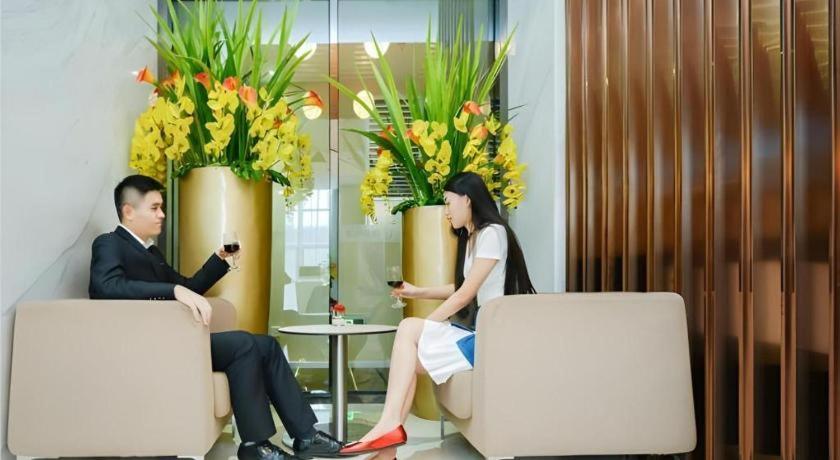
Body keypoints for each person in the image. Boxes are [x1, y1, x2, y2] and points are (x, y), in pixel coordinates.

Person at [89, 175, 341, 460]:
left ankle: (306, 436)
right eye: (155, 208)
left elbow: (190, 286)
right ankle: (254, 446)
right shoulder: (108, 243)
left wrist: (219, 260)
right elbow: (105, 287)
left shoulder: (152, 252)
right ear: (129, 211)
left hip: (174, 340)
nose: (162, 215)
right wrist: (172, 290)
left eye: (162, 207)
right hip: (149, 346)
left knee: (267, 345)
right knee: (243, 344)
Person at [340, 172, 536, 455]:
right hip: (479, 334)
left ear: (467, 200)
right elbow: (462, 287)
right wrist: (417, 292)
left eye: (448, 202)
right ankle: (388, 446)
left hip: (490, 340)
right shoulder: (473, 238)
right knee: (409, 359)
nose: (446, 211)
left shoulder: (493, 234)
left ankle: (386, 428)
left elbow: (465, 294)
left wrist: (429, 324)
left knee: (409, 328)